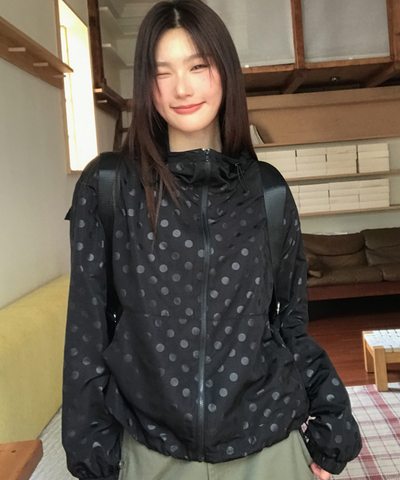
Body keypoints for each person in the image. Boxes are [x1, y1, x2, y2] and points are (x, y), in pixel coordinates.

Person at [62, 1, 362, 479]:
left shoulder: (268, 192)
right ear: (147, 85)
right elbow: (86, 332)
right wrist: (93, 453)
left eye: (197, 66)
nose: (182, 87)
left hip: (267, 448)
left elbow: (289, 325)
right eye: (162, 71)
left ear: (225, 71)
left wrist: (331, 424)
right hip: (152, 452)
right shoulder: (109, 188)